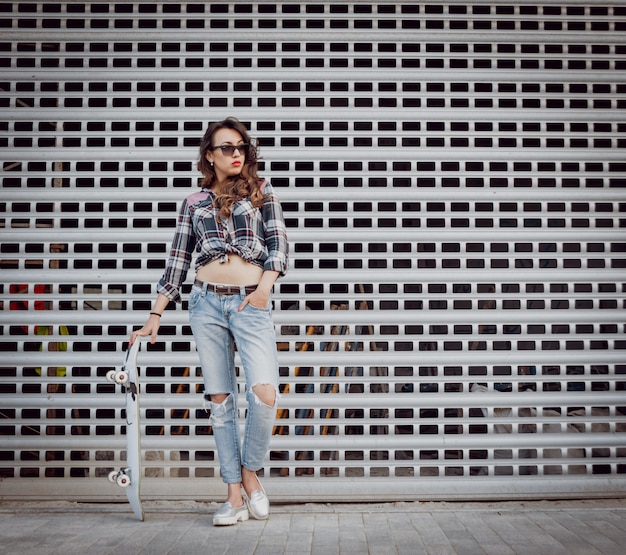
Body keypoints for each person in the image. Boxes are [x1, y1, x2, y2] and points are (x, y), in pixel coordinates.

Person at [130, 117, 288, 526]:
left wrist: (264, 288)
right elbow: (179, 260)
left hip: (251, 304)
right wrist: (155, 314)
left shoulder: (261, 191)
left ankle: (250, 473)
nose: (237, 154)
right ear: (209, 156)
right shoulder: (193, 204)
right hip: (205, 304)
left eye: (241, 147)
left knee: (265, 393)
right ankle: (233, 494)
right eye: (227, 148)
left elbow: (278, 242)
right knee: (220, 402)